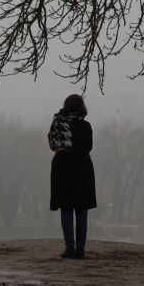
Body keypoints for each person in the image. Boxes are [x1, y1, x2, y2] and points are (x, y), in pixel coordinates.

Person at [48, 94, 96, 259]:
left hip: (63, 171)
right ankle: (80, 248)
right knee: (82, 211)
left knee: (66, 210)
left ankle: (69, 247)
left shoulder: (58, 124)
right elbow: (88, 147)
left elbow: (52, 145)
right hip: (83, 170)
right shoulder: (86, 126)